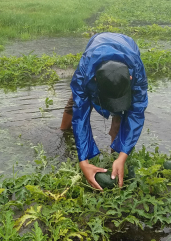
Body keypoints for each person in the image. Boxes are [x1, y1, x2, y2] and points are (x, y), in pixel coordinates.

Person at [60, 32, 148, 190]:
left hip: (128, 46)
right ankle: (62, 131)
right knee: (75, 102)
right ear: (95, 80)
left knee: (122, 115)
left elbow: (136, 113)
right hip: (97, 46)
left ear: (129, 78)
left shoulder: (137, 72)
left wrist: (123, 156)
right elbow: (81, 116)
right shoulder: (85, 73)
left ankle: (116, 154)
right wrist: (83, 161)